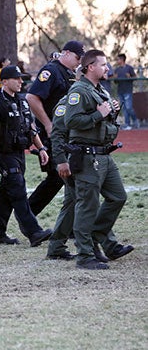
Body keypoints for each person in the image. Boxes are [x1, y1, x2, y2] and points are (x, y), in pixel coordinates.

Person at [64, 49, 134, 269]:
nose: (108, 69)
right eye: (103, 65)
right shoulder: (79, 90)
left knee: (118, 196)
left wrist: (112, 110)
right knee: (87, 206)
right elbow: (72, 121)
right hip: (87, 156)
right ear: (90, 67)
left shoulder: (99, 90)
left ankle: (97, 235)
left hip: (104, 154)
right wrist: (99, 114)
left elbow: (106, 118)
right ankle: (85, 255)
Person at [0, 65, 53, 247]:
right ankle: (34, 232)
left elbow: (31, 128)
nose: (21, 81)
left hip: (19, 153)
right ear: (4, 82)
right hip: (3, 155)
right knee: (18, 191)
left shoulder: (22, 102)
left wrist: (42, 148)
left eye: (21, 78)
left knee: (6, 195)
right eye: (16, 78)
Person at [46, 93, 120, 262]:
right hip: (73, 160)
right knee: (87, 202)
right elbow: (57, 134)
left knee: (74, 202)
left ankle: (56, 246)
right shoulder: (67, 103)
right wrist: (61, 161)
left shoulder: (95, 98)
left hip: (80, 158)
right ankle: (106, 245)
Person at [26, 40, 84, 216]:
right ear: (65, 53)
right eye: (77, 57)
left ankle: (73, 226)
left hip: (68, 133)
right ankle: (27, 215)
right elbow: (32, 97)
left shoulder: (70, 73)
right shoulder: (51, 71)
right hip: (53, 134)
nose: (79, 61)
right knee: (57, 177)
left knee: (68, 178)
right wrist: (47, 124)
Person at [112, 53, 139, 130]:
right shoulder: (117, 70)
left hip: (128, 91)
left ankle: (135, 121)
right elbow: (115, 82)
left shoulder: (129, 68)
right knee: (123, 108)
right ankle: (127, 124)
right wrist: (115, 78)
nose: (117, 61)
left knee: (129, 107)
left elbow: (135, 77)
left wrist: (129, 77)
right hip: (120, 91)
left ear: (122, 59)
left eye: (118, 59)